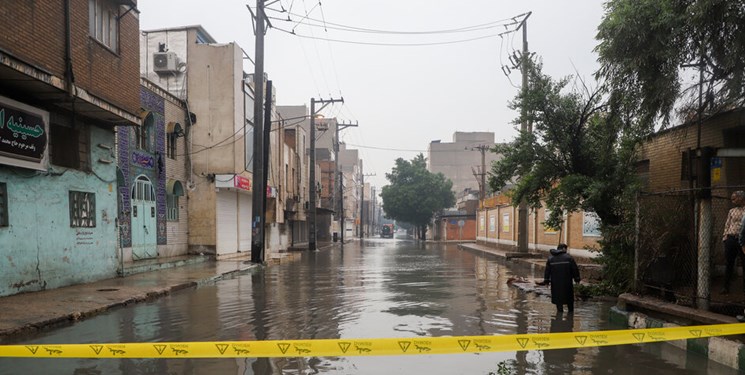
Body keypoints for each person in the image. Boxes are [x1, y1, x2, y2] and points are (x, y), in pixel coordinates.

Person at [536, 244, 581, 313]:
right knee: (569, 300)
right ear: (563, 249)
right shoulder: (569, 258)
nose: (566, 251)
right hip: (567, 283)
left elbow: (547, 271)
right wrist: (577, 279)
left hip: (555, 283)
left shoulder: (551, 258)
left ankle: (559, 316)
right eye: (566, 249)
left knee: (558, 300)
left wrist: (546, 281)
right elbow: (575, 269)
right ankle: (570, 317)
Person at [721, 191, 745, 294]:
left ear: (741, 198)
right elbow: (727, 224)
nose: (733, 200)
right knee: (729, 263)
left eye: (735, 198)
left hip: (743, 239)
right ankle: (726, 287)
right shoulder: (732, 211)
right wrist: (725, 237)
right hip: (731, 238)